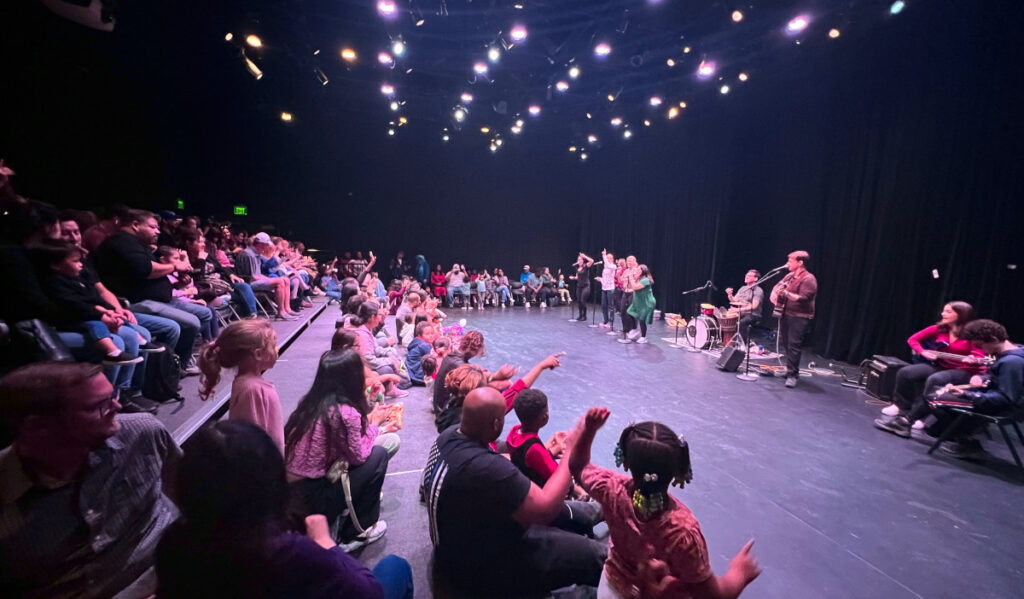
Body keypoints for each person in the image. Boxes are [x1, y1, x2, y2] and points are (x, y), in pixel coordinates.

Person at [155, 420, 413, 599]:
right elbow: (369, 593)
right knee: (395, 567)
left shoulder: (174, 544)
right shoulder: (286, 552)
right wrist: (325, 543)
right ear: (271, 483)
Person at [0, 362, 182, 598]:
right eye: (99, 405)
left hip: (168, 573)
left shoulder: (144, 432)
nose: (117, 406)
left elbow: (191, 496)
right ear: (37, 426)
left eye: (113, 396)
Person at [422, 388, 607, 597]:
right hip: (481, 568)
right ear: (496, 424)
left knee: (573, 512)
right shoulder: (486, 468)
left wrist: (546, 451)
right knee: (596, 555)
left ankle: (606, 507)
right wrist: (570, 452)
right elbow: (546, 509)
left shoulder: (448, 438)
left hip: (455, 548)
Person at [569, 408, 762, 599]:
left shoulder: (610, 489)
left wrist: (589, 430)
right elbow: (713, 595)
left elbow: (578, 467)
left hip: (611, 589)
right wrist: (740, 573)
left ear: (625, 461)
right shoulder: (682, 532)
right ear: (679, 470)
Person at [285, 350, 400, 551]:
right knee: (378, 455)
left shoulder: (311, 403)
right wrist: (377, 425)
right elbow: (359, 456)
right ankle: (357, 532)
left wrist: (370, 403)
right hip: (313, 496)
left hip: (293, 491)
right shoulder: (344, 412)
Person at [92, 209, 208, 371]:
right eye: (153, 227)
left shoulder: (138, 244)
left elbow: (155, 272)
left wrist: (176, 282)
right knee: (190, 323)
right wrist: (175, 266)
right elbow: (146, 270)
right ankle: (167, 370)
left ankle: (178, 363)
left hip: (159, 299)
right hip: (137, 301)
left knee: (203, 313)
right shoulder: (121, 242)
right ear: (135, 225)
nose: (158, 231)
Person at [906, 319, 1023, 458]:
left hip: (1003, 407)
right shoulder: (1016, 351)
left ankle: (966, 441)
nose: (983, 351)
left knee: (934, 398)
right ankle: (961, 437)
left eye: (981, 345)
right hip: (997, 399)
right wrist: (984, 378)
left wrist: (967, 395)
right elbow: (998, 377)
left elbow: (1005, 398)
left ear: (993, 339)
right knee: (938, 393)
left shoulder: (1011, 362)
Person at [874, 301, 986, 438]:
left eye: (948, 312)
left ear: (961, 315)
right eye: (944, 310)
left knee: (935, 379)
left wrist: (970, 359)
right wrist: (922, 352)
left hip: (962, 371)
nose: (943, 314)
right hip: (940, 366)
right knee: (905, 372)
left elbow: (979, 356)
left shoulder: (972, 335)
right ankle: (901, 407)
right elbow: (913, 340)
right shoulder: (939, 328)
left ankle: (920, 416)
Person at [197, 319, 284, 452]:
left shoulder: (250, 384)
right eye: (273, 346)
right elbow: (253, 443)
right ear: (258, 354)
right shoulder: (253, 390)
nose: (276, 350)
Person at [770, 251, 818, 388]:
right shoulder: (790, 275)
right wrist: (774, 293)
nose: (788, 263)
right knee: (786, 343)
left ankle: (793, 375)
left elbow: (803, 298)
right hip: (785, 313)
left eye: (790, 261)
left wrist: (786, 293)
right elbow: (777, 286)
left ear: (800, 262)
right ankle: (788, 370)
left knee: (794, 345)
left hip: (799, 316)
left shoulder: (809, 279)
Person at [725, 269, 764, 346]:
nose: (746, 277)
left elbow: (754, 306)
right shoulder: (743, 288)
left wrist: (738, 310)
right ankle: (728, 342)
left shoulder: (758, 290)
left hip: (753, 314)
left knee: (742, 322)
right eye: (746, 275)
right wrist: (729, 294)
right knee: (726, 318)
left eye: (749, 276)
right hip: (741, 312)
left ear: (755, 279)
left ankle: (742, 345)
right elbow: (734, 300)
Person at [622, 264, 655, 344]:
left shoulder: (645, 280)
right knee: (629, 312)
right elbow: (629, 286)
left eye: (638, 270)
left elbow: (635, 287)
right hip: (639, 301)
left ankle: (643, 337)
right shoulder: (639, 278)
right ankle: (634, 329)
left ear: (643, 271)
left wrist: (631, 278)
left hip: (646, 302)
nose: (636, 271)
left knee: (642, 319)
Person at [404, 321, 436, 386]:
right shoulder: (424, 345)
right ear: (420, 335)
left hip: (411, 370)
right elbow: (435, 358)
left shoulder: (416, 340)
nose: (431, 335)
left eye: (432, 333)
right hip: (417, 375)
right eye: (427, 334)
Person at [617, 256, 641, 340]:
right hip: (625, 292)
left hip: (633, 293)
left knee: (631, 312)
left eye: (631, 261)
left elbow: (637, 282)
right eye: (628, 261)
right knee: (622, 310)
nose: (629, 262)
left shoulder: (637, 270)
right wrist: (618, 274)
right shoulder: (626, 271)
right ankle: (626, 329)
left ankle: (633, 329)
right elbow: (620, 281)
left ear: (635, 261)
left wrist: (631, 276)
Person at [569, 252, 595, 322]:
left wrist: (584, 256)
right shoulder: (577, 268)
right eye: (578, 260)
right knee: (579, 301)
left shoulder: (585, 266)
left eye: (580, 260)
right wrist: (573, 278)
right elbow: (577, 277)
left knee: (583, 301)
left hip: (586, 286)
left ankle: (584, 315)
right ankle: (580, 315)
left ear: (583, 261)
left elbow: (592, 261)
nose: (579, 261)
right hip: (579, 286)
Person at [598, 249, 617, 329]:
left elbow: (608, 265)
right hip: (604, 288)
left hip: (610, 289)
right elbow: (605, 279)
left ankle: (610, 322)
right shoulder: (605, 268)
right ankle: (605, 321)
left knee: (611, 306)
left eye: (609, 258)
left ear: (612, 259)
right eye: (607, 257)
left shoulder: (613, 266)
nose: (607, 259)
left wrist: (604, 255)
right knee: (603, 305)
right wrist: (600, 279)